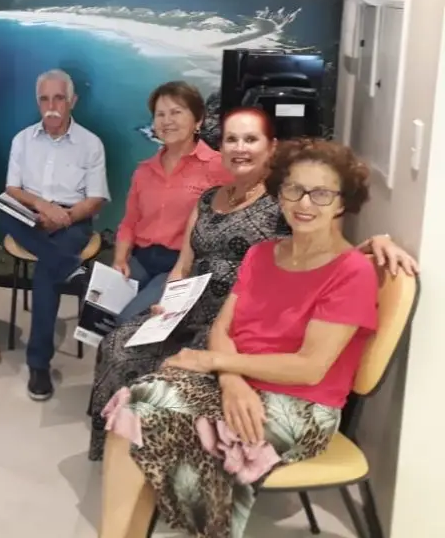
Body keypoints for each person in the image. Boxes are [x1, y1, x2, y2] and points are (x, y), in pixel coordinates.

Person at [87, 108, 418, 460]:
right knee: (118, 344)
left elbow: (323, 244)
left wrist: (376, 242)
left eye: (250, 139)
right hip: (189, 309)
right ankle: (114, 451)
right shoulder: (209, 198)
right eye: (232, 139)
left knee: (159, 382)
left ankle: (146, 452)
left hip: (233, 317)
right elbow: (183, 264)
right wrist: (168, 304)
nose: (240, 147)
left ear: (270, 147)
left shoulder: (284, 199)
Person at [98, 138, 381, 538]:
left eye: (321, 193)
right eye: (293, 189)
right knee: (134, 403)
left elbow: (309, 366)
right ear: (279, 191)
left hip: (301, 403)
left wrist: (216, 364)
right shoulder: (262, 254)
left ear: (342, 202)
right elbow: (223, 329)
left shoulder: (352, 272)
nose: (304, 203)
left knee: (194, 431)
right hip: (238, 379)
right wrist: (231, 381)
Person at [1, 68, 110, 401]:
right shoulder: (22, 139)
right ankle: (70, 267)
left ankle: (38, 364)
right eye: (44, 98)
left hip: (72, 219)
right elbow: (12, 189)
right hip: (29, 214)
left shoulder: (91, 144)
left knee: (47, 273)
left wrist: (62, 217)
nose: (51, 105)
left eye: (58, 98)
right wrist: (42, 206)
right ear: (38, 102)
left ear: (72, 100)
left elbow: (95, 200)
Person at [112, 81, 229, 322]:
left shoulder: (218, 167)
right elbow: (129, 222)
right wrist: (119, 260)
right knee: (98, 308)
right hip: (141, 258)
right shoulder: (143, 171)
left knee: (130, 321)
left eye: (176, 112)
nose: (167, 121)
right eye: (160, 114)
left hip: (181, 264)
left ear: (198, 121)